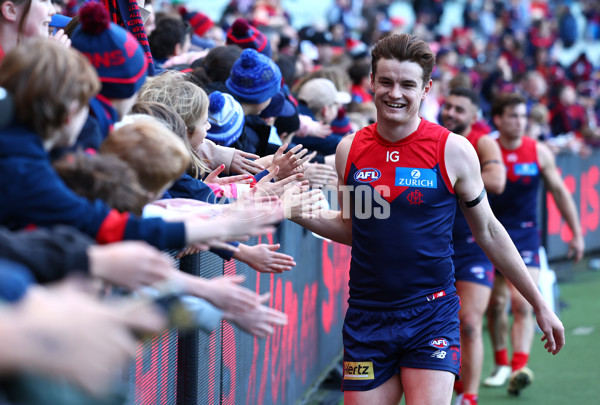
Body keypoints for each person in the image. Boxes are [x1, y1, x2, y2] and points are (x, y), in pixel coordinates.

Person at [292, 33, 564, 405]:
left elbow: (487, 230)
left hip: (431, 313)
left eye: (407, 84)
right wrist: (295, 210)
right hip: (367, 319)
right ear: (371, 82)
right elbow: (354, 228)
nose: (395, 93)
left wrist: (540, 304)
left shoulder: (453, 149)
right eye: (385, 82)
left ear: (426, 89)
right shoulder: (349, 149)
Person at [484, 92, 584, 396]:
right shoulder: (486, 150)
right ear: (498, 119)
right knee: (495, 304)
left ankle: (519, 368)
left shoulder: (538, 151)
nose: (520, 122)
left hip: (526, 234)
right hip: (488, 233)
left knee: (521, 302)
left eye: (523, 117)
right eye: (513, 116)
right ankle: (500, 361)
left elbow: (560, 192)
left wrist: (576, 232)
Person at [440, 88, 506, 405]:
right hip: (434, 246)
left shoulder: (481, 143)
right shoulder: (431, 137)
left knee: (469, 322)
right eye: (447, 106)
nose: (450, 113)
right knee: (442, 324)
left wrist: (460, 170)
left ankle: (469, 396)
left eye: (459, 109)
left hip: (472, 245)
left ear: (474, 116)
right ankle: (451, 382)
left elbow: (497, 181)